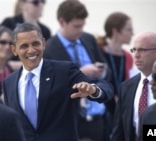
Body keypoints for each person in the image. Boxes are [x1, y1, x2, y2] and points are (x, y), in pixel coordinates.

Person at [3, 23, 113, 141]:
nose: (31, 50)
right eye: (24, 46)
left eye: (36, 43)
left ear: (43, 43)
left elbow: (105, 87)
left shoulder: (64, 71)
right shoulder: (9, 82)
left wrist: (93, 90)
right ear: (14, 50)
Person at [43, 1, 107, 140]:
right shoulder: (48, 49)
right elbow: (49, 87)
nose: (80, 30)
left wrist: (101, 71)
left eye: (82, 25)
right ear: (62, 22)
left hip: (97, 118)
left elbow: (106, 70)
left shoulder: (88, 39)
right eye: (76, 26)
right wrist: (80, 72)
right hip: (71, 121)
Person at [111, 32, 156, 141]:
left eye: (142, 50)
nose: (136, 55)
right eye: (134, 50)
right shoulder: (126, 87)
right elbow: (118, 130)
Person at [97, 12, 134, 140]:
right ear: (115, 31)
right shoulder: (99, 51)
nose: (132, 33)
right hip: (102, 109)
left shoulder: (128, 57)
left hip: (120, 111)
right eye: (128, 29)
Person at [0, 0, 51, 71]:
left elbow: (47, 55)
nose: (41, 5)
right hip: (9, 71)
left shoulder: (45, 30)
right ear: (22, 4)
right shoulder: (9, 24)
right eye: (35, 2)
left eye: (43, 2)